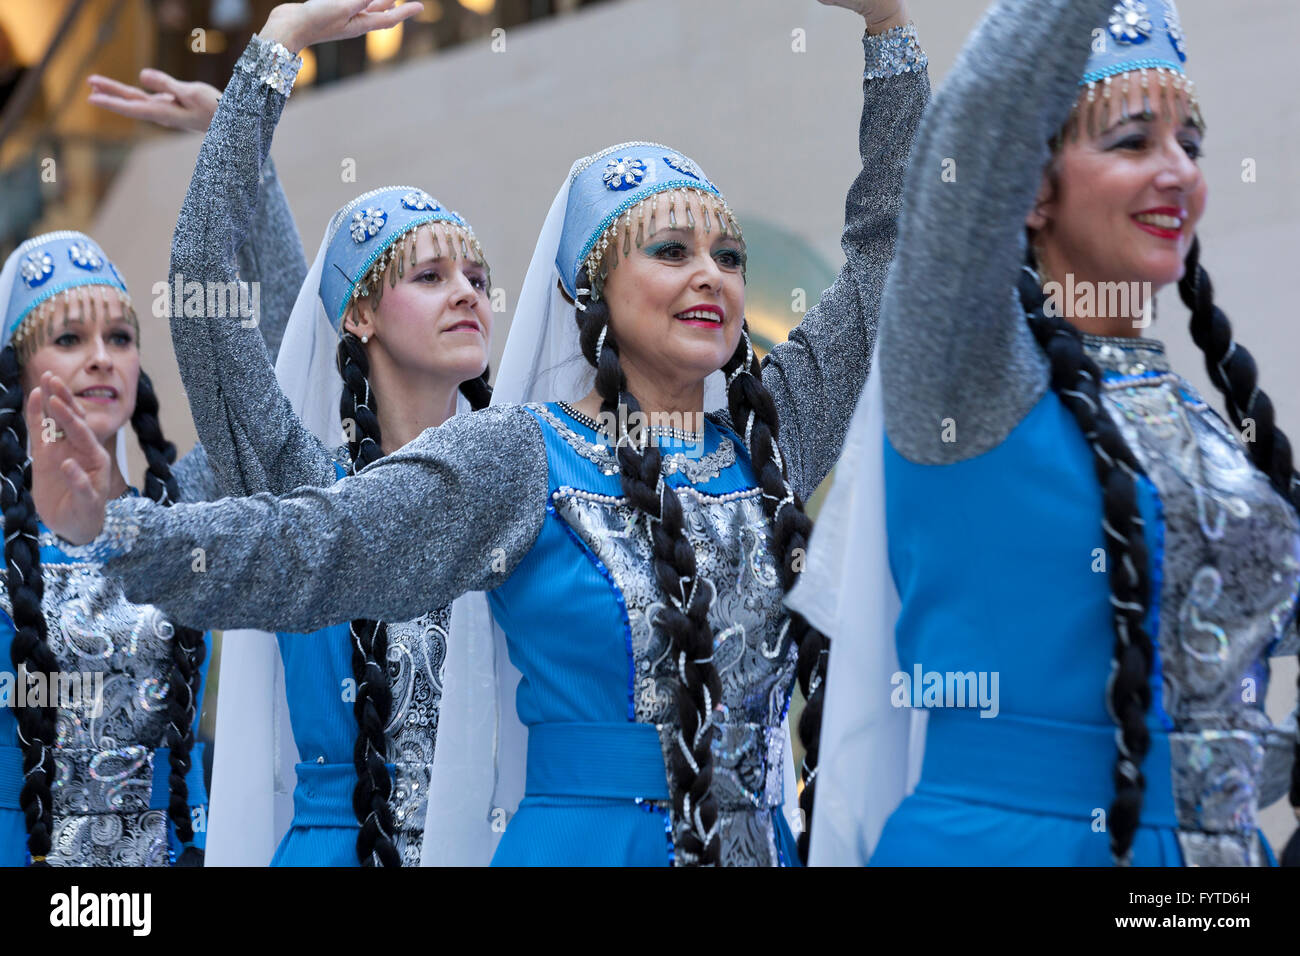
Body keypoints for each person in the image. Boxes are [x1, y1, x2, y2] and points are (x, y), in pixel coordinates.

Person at [30, 0, 930, 866]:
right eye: (670, 251)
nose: (711, 276)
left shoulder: (767, 446)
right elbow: (311, 537)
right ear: (592, 294)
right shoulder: (518, 457)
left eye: (727, 257)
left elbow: (888, 252)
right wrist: (126, 529)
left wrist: (888, 31)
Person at [795, 0, 1299, 867]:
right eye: (1134, 141)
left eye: (1192, 144)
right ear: (1026, 184)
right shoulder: (965, 368)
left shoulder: (1197, 423)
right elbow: (975, 126)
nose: (1177, 170)